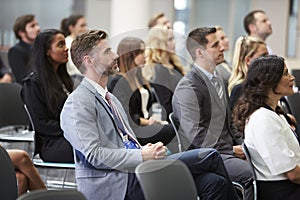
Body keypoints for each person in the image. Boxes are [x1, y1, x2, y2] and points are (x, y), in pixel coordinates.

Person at [60, 29, 239, 200]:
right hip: (116, 182)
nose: (115, 56)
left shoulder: (110, 98)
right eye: (107, 52)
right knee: (211, 156)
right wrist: (142, 155)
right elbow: (94, 155)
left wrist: (147, 150)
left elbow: (125, 141)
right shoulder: (77, 103)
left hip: (138, 169)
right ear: (88, 60)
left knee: (215, 183)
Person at [172, 27, 253, 200]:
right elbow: (196, 135)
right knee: (254, 174)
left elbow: (230, 124)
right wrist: (232, 150)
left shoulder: (219, 80)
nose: (222, 47)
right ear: (199, 52)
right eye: (215, 45)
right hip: (208, 156)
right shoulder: (188, 88)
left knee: (271, 164)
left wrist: (245, 146)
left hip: (228, 151)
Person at [233, 55, 300, 200]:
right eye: (285, 74)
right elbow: (293, 174)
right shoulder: (263, 119)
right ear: (269, 81)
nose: (292, 78)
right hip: (283, 192)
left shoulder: (275, 113)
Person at [108, 37, 175, 146]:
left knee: (174, 126)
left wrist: (153, 119)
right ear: (130, 55)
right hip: (133, 130)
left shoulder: (140, 78)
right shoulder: (118, 81)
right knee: (171, 130)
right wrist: (148, 122)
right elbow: (126, 116)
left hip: (146, 125)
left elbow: (150, 106)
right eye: (141, 52)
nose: (145, 55)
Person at [21, 29, 74, 163]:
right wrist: (73, 129)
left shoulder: (64, 79)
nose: (66, 49)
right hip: (51, 143)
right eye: (60, 45)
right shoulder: (33, 84)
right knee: (94, 150)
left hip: (70, 136)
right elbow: (41, 123)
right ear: (46, 51)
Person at [142, 26, 185, 120]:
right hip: (176, 121)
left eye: (173, 38)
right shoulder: (158, 70)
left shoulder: (174, 64)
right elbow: (166, 104)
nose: (174, 42)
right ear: (159, 43)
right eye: (170, 39)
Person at [228, 36, 268, 109]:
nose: (268, 60)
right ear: (248, 60)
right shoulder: (240, 89)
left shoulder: (263, 85)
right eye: (263, 56)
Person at [8, 14, 41, 84]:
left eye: (37, 24)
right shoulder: (15, 51)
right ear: (21, 33)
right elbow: (23, 79)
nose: (38, 28)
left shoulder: (39, 48)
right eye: (32, 26)